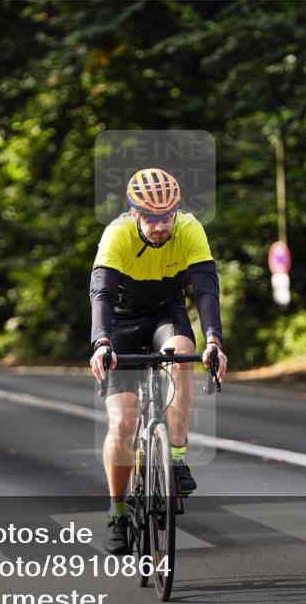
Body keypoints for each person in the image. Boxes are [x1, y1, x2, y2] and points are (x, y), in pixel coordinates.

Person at [89, 168, 228, 555]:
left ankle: (178, 458)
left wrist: (214, 339)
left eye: (167, 215)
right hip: (120, 319)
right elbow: (100, 293)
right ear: (134, 213)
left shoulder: (189, 228)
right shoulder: (117, 234)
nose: (160, 225)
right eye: (151, 217)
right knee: (124, 421)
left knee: (183, 358)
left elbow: (204, 287)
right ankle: (118, 511)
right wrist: (101, 342)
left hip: (167, 312)